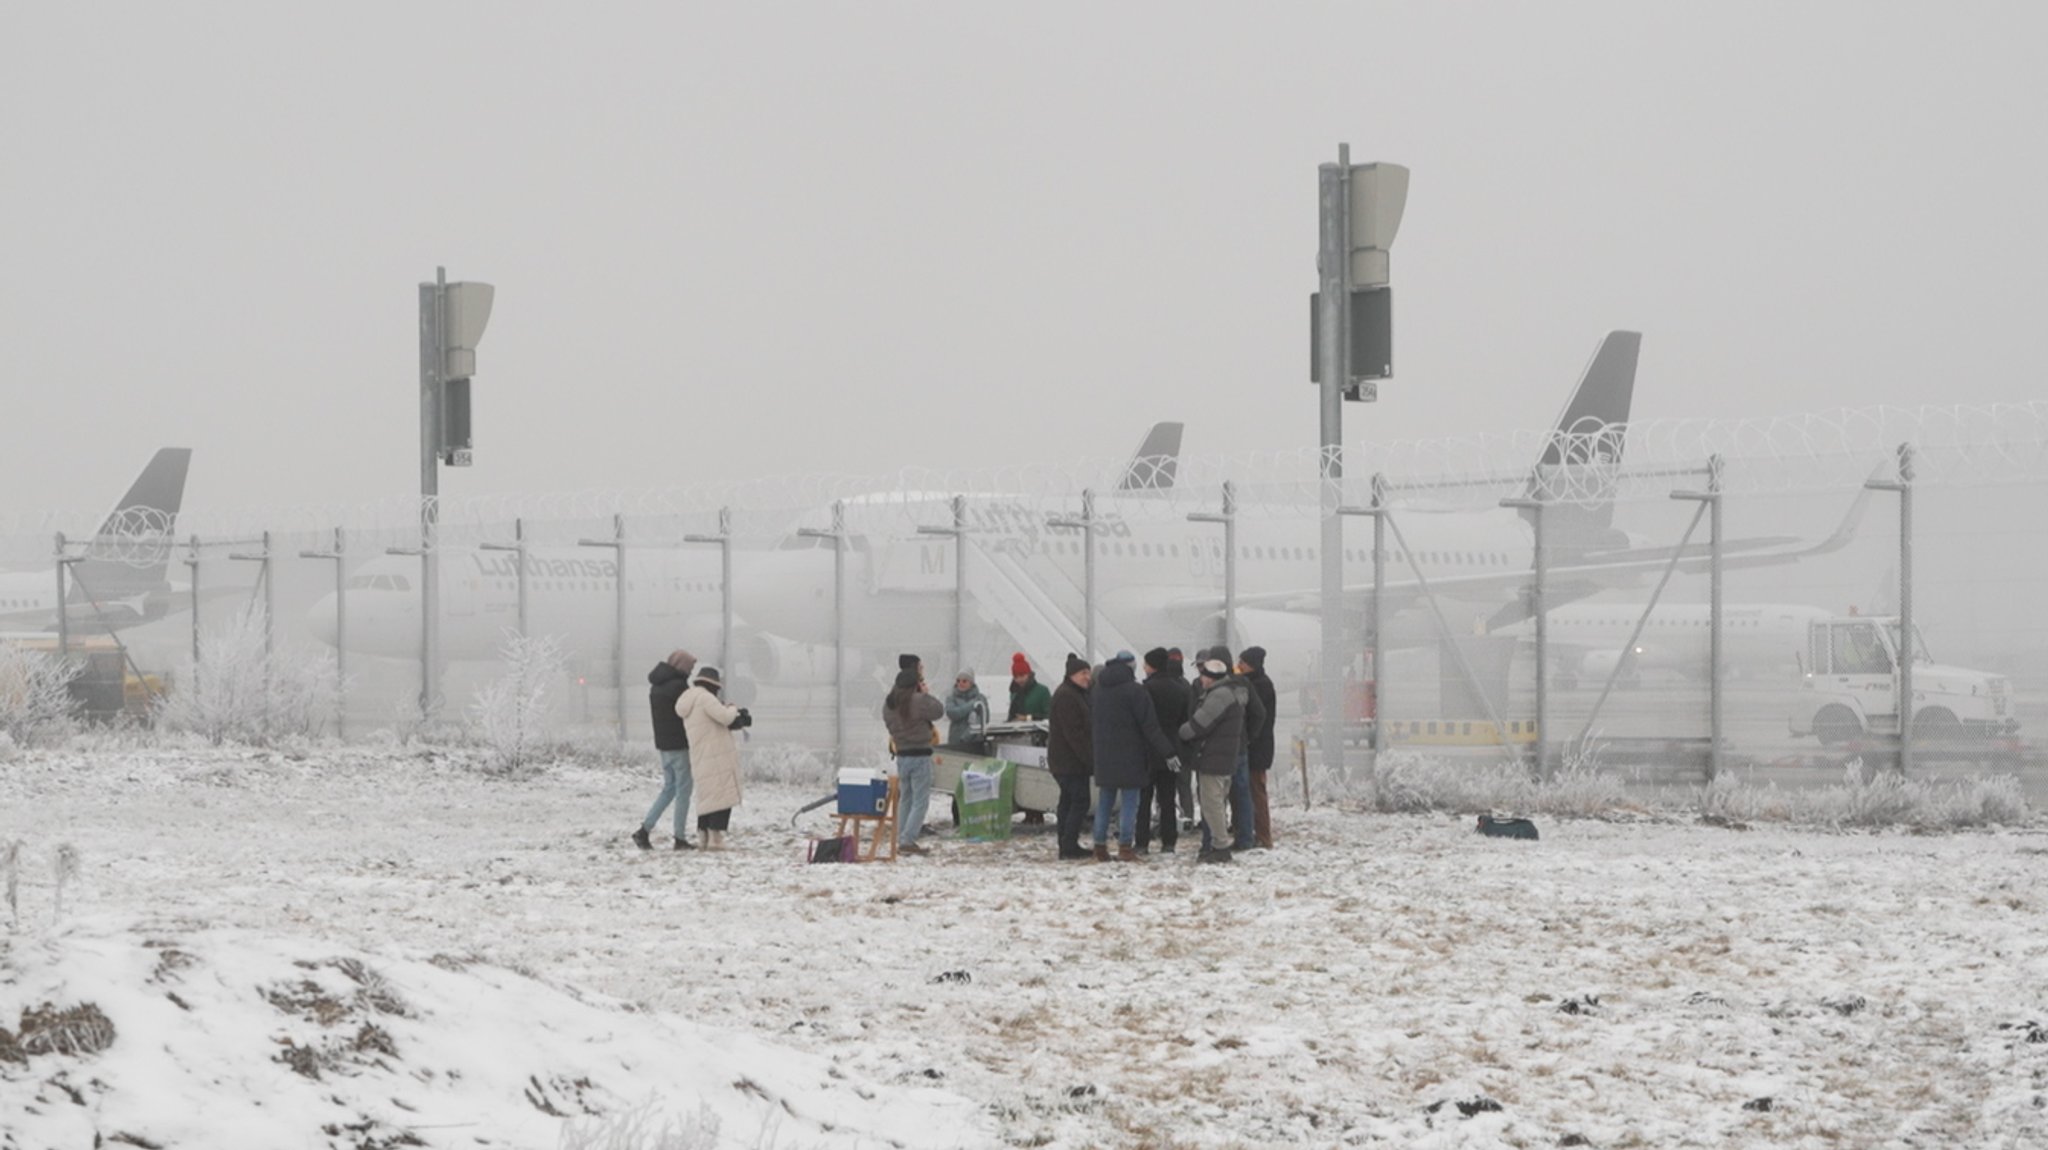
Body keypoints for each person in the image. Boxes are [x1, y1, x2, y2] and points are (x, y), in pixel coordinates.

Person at [1089, 650, 1179, 863]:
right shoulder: (1136, 691)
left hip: (1104, 756)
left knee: (1105, 802)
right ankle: (1125, 848)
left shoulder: (1098, 690)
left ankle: (1099, 847)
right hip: (1131, 756)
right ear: (1130, 666)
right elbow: (1150, 726)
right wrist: (1168, 751)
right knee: (1130, 803)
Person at [1179, 656, 1247, 864]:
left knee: (1212, 805)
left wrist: (1182, 732)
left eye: (1203, 676)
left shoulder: (1218, 696)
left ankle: (1220, 847)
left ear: (1211, 678)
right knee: (1218, 802)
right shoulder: (1231, 692)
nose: (1201, 679)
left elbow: (1199, 724)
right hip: (1225, 756)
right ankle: (1220, 844)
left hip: (1213, 757)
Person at [675, 666, 752, 850]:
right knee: (722, 795)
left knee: (707, 797)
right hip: (716, 754)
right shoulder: (705, 698)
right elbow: (725, 717)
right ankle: (716, 838)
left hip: (701, 754)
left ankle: (703, 836)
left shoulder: (689, 699)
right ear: (712, 685)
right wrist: (733, 708)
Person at [634, 649, 697, 851]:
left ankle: (644, 830)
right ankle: (679, 837)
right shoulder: (678, 687)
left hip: (664, 746)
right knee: (683, 792)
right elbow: (691, 711)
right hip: (679, 745)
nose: (691, 671)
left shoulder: (657, 686)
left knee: (669, 789)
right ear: (682, 666)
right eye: (690, 667)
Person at [882, 665, 945, 855]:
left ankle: (901, 835)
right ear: (914, 685)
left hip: (902, 755)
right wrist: (926, 694)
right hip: (920, 756)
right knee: (920, 801)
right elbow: (939, 711)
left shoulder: (889, 705)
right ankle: (908, 840)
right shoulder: (918, 701)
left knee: (906, 798)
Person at [1137, 647, 1191, 854]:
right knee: (1167, 798)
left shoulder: (1146, 689)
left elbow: (1143, 722)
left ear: (1152, 666)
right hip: (1172, 750)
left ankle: (1142, 841)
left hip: (1148, 751)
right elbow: (1184, 720)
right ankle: (1169, 841)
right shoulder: (1180, 688)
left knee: (1145, 799)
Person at [1216, 647, 1267, 853]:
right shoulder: (1243, 683)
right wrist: (1248, 736)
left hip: (1219, 749)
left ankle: (1216, 839)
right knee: (1242, 794)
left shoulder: (1211, 685)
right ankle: (1244, 837)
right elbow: (1259, 713)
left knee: (1215, 795)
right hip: (1240, 747)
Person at [1046, 653, 1094, 860]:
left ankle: (1066, 843)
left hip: (1067, 761)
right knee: (1080, 801)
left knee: (1067, 801)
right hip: (1069, 761)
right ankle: (1068, 845)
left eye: (1088, 673)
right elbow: (1074, 734)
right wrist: (1089, 760)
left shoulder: (1075, 693)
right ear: (1072, 674)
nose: (1087, 677)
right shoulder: (1067, 695)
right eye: (1083, 673)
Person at [1240, 646, 1279, 849]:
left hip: (1257, 747)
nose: (1239, 666)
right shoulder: (1256, 682)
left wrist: (1249, 738)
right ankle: (1256, 833)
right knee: (1251, 791)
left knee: (1256, 791)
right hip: (1257, 745)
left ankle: (1263, 836)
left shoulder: (1259, 686)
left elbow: (1256, 716)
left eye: (1242, 663)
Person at [942, 668, 989, 746]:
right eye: (958, 681)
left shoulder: (981, 698)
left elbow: (984, 719)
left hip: (976, 742)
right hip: (956, 741)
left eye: (964, 681)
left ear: (971, 683)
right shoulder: (951, 698)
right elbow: (952, 713)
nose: (961, 683)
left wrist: (967, 736)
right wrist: (971, 705)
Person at [1008, 652, 1051, 721]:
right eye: (1016, 677)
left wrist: (1028, 718)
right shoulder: (1014, 693)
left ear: (1028, 674)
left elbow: (1050, 715)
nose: (1019, 680)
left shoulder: (1042, 691)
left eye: (1022, 675)